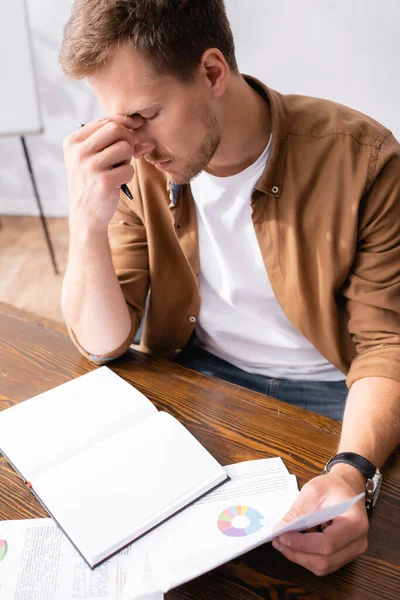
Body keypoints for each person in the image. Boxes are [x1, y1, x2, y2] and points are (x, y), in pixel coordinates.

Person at [59, 0, 400, 577]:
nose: (133, 143)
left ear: (213, 72)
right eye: (118, 121)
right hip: (198, 376)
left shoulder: (362, 160)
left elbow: (386, 345)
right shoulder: (136, 167)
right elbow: (104, 342)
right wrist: (86, 221)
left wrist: (350, 470)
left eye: (145, 114)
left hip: (333, 391)